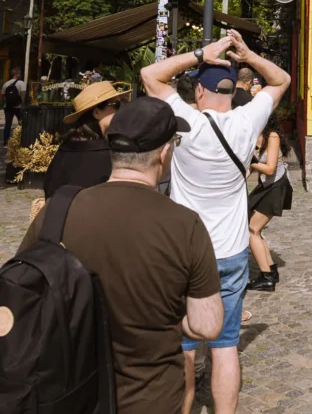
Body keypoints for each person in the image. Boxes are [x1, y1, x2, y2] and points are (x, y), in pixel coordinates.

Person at [17, 96, 224, 414]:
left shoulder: (57, 211)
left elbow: (23, 292)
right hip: (149, 398)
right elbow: (207, 325)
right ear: (165, 153)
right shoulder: (186, 225)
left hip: (67, 394)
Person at [141, 29, 290, 414]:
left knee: (187, 349)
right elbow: (281, 80)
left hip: (186, 253)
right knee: (225, 347)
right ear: (229, 92)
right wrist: (248, 54)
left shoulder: (186, 120)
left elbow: (150, 75)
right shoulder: (246, 122)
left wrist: (199, 52)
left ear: (201, 93)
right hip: (230, 253)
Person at [44, 80, 130, 198]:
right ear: (96, 112)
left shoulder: (64, 150)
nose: (121, 110)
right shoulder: (108, 155)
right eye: (116, 105)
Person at [246, 112, 293, 292]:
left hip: (277, 186)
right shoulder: (252, 136)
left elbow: (270, 167)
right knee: (254, 229)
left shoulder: (272, 136)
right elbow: (249, 169)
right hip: (265, 187)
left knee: (252, 230)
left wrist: (251, 161)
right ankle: (271, 271)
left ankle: (266, 278)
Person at [2, 67, 25, 145]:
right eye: (20, 73)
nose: (21, 75)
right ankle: (21, 140)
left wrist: (8, 103)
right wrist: (23, 105)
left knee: (8, 125)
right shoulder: (21, 83)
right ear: (17, 74)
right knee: (22, 123)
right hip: (18, 107)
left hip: (8, 107)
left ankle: (6, 142)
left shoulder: (6, 83)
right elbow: (23, 95)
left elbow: (3, 96)